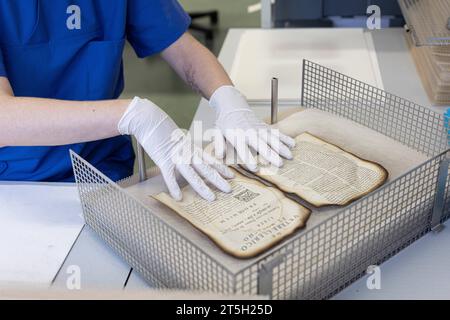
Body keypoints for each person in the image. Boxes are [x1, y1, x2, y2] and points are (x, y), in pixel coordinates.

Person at [0, 0, 294, 201]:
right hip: (18, 183)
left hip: (106, 170)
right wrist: (131, 115)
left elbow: (182, 49)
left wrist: (229, 100)